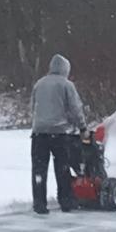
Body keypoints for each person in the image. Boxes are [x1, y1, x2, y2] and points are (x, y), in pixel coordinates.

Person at [30, 54, 87, 214]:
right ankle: (66, 201)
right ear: (65, 70)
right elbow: (75, 109)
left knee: (39, 170)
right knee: (62, 169)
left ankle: (39, 204)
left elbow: (32, 106)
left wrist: (38, 124)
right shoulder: (66, 85)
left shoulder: (39, 84)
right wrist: (82, 127)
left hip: (39, 133)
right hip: (59, 134)